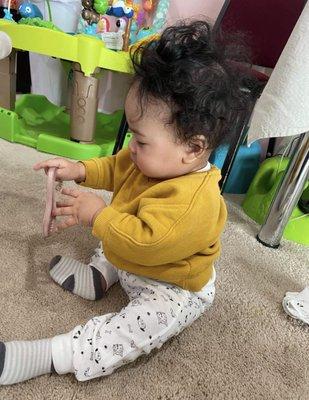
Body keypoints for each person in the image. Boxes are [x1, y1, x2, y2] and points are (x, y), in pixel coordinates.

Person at [0, 20, 253, 385]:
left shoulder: (194, 203)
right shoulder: (149, 157)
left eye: (142, 140)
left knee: (132, 329)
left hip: (173, 284)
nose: (131, 146)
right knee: (117, 225)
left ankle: (53, 354)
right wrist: (80, 169)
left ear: (193, 148)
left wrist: (98, 215)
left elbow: (146, 243)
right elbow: (115, 168)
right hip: (134, 255)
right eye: (132, 133)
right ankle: (103, 274)